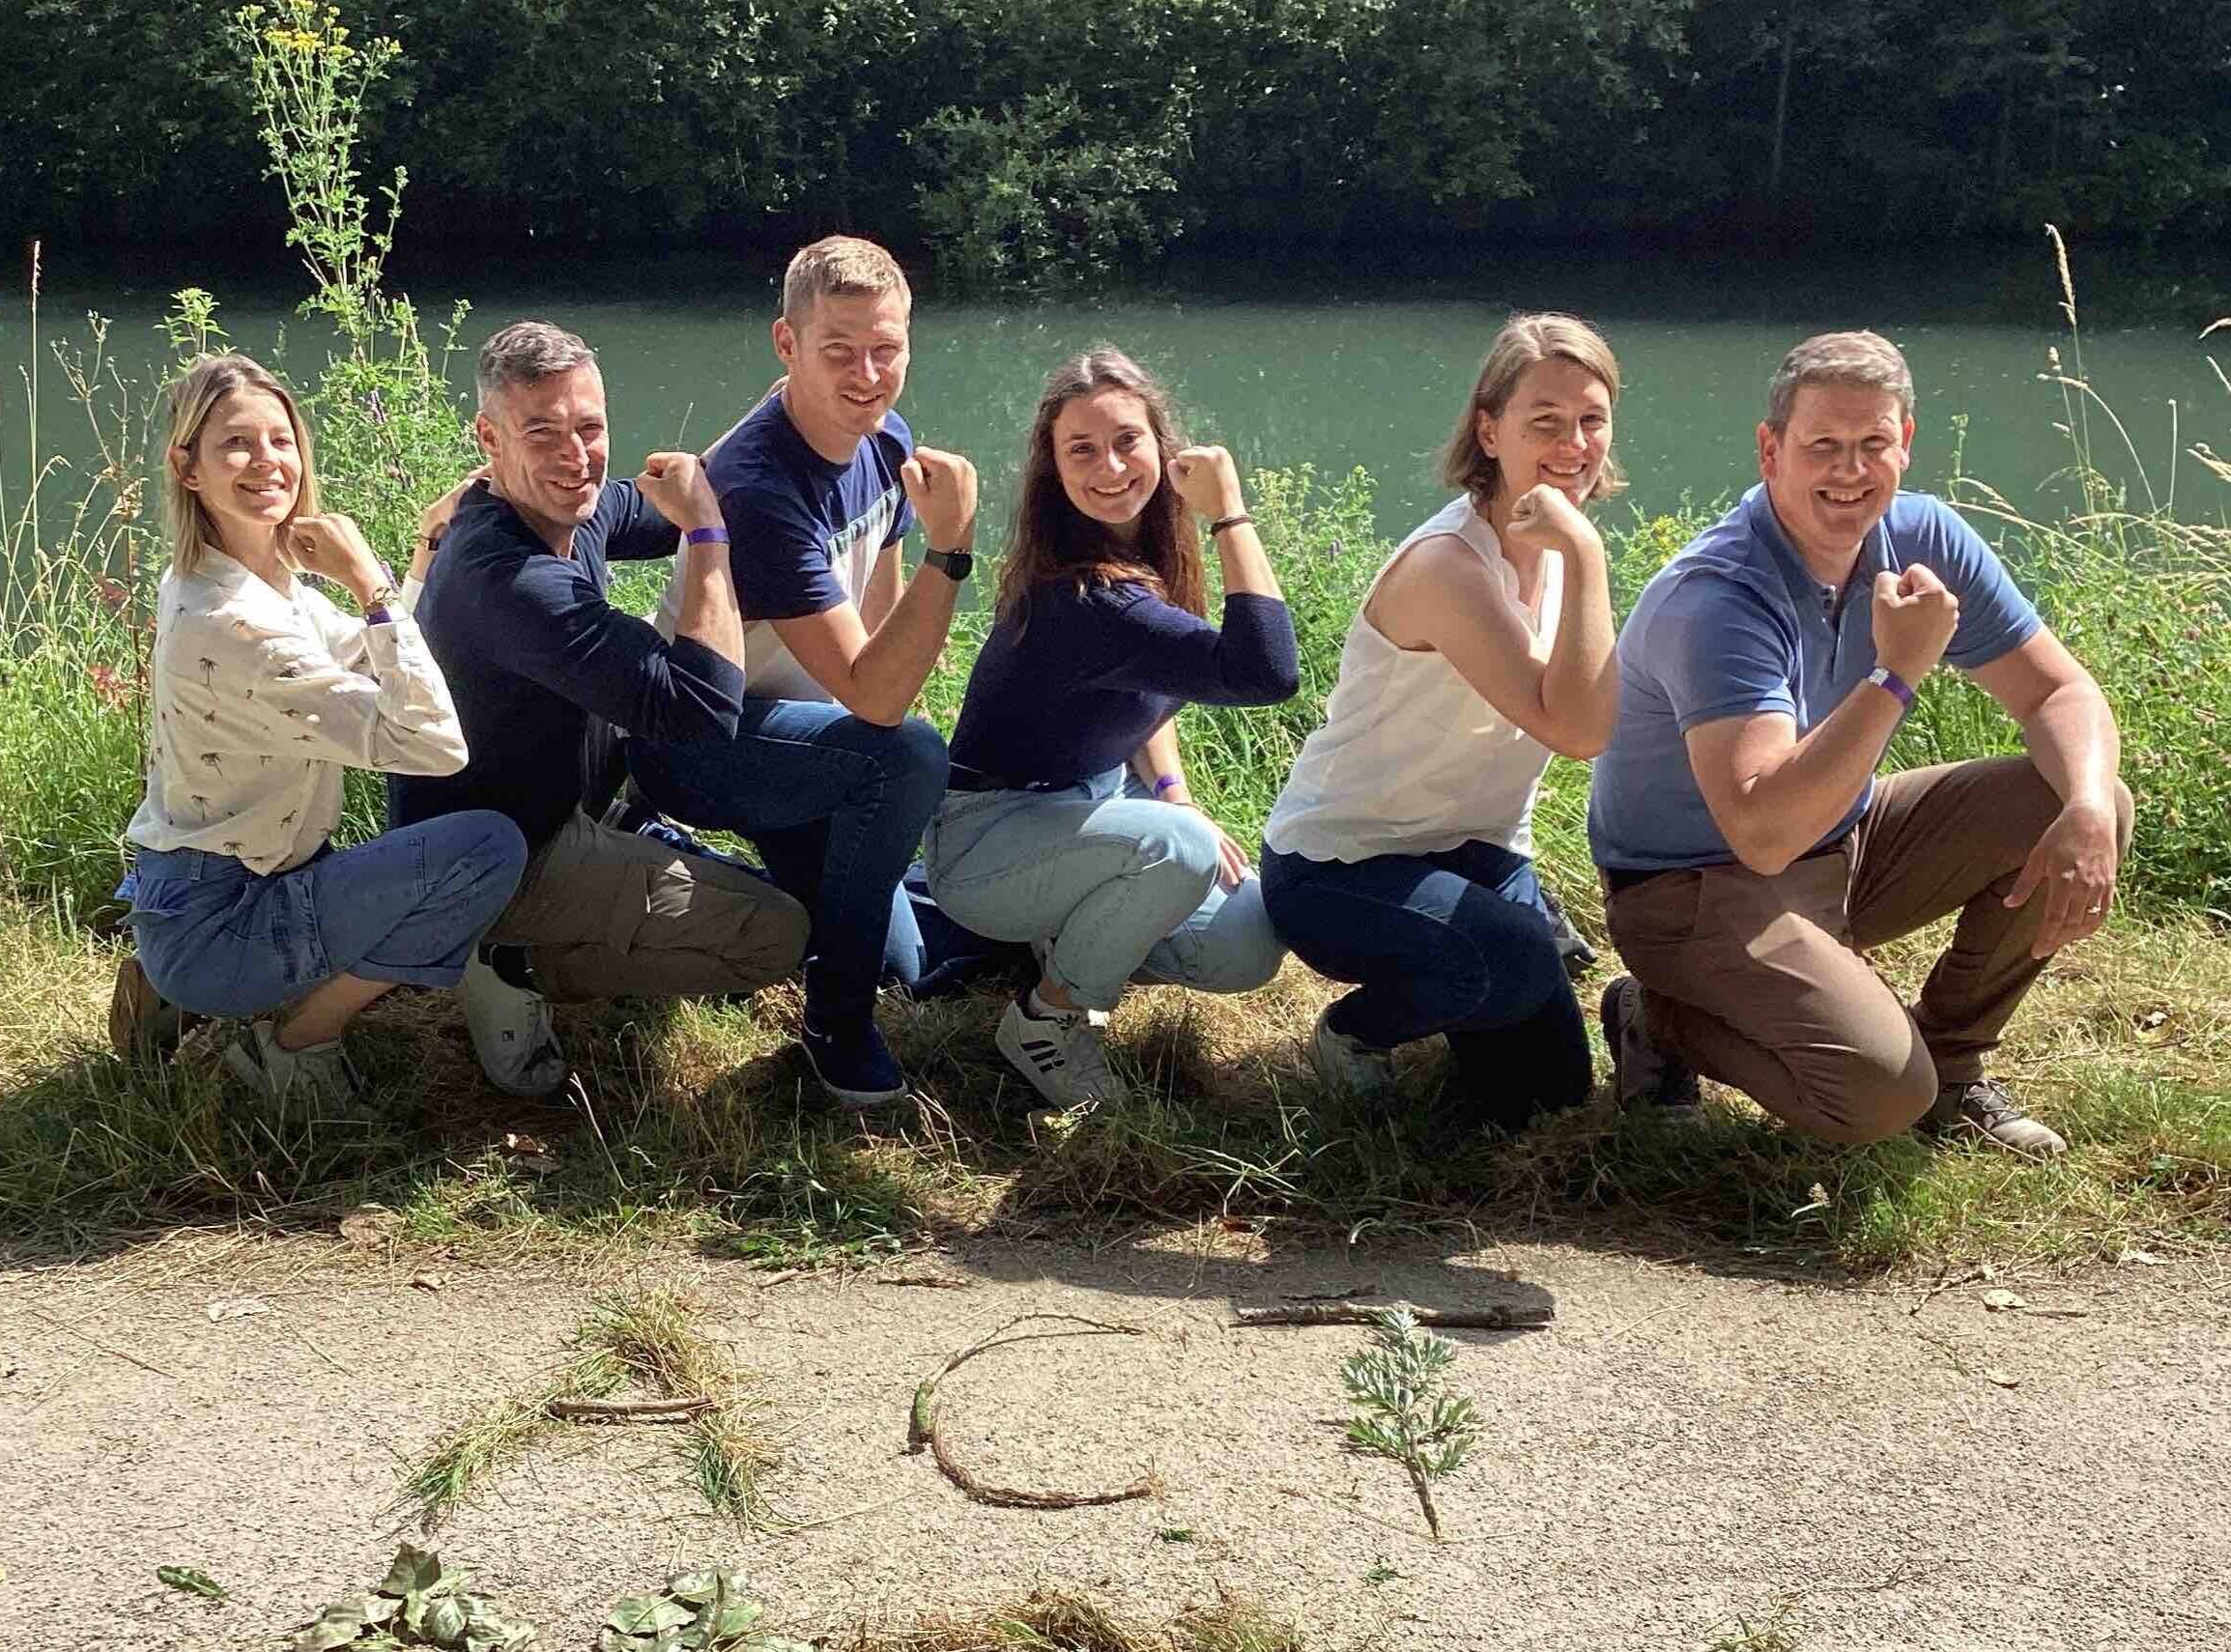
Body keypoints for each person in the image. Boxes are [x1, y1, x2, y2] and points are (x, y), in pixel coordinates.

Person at [1587, 328, 2134, 1155]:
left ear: (1905, 444)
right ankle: (1658, 1015)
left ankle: (1954, 1064)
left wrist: (2090, 808)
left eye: (1873, 443)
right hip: (1695, 887)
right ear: (1771, 452)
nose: (1850, 471)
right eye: (1823, 446)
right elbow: (1762, 834)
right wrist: (1898, 673)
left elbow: (2060, 691)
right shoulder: (1718, 599)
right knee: (1879, 1097)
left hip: (1839, 836)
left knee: (2075, 796)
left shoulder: (1923, 536)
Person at [392, 321, 808, 1097]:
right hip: (507, 856)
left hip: (558, 810)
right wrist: (710, 537)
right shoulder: (512, 580)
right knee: (775, 937)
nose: (575, 455)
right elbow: (701, 708)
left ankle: (575, 893)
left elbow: (660, 502)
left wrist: (783, 409)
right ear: (489, 436)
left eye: (589, 427)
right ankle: (505, 957)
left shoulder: (564, 510)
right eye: (541, 431)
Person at [112, 354, 527, 1115]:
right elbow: (433, 745)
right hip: (226, 912)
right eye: (236, 443)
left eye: (281, 440)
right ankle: (291, 1043)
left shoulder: (233, 581)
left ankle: (178, 976)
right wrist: (366, 578)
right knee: (485, 849)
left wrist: (421, 555)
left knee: (431, 848)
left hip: (202, 879)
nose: (268, 461)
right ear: (188, 468)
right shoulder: (236, 622)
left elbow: (360, 653)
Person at [627, 237, 977, 1108]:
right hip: (701, 740)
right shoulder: (758, 485)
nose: (868, 375)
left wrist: (870, 726)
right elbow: (878, 692)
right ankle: (833, 1022)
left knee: (905, 959)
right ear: (787, 346)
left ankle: (706, 870)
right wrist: (956, 548)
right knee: (908, 758)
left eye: (886, 348)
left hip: (800, 737)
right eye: (839, 352)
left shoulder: (884, 438)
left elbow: (884, 628)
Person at [1257, 314, 1625, 1129]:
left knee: (1549, 1099)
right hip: (1340, 866)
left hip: (1473, 854)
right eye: (1546, 422)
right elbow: (1579, 731)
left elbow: (1587, 711)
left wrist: (1575, 555)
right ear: (1489, 431)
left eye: (1592, 421)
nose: (1575, 444)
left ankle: (1474, 964)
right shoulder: (1448, 568)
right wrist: (1590, 553)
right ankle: (1353, 1033)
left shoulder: (1555, 551)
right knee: (1515, 959)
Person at [921, 348, 1298, 1109]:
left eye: (1128, 441)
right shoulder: (1087, 598)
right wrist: (1231, 510)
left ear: (1162, 444)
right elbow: (1268, 671)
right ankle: (1048, 1022)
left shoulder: (1142, 560)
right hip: (987, 843)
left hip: (1082, 817)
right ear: (1053, 470)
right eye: (1082, 450)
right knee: (1177, 847)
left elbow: (1144, 695)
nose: (1111, 467)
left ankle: (1067, 941)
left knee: (1251, 941)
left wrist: (1172, 787)